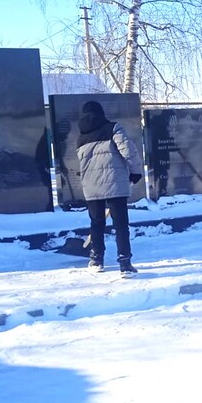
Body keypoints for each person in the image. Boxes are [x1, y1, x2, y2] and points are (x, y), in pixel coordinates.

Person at [76, 100, 143, 277]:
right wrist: (135, 172)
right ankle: (125, 264)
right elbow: (128, 150)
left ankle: (96, 260)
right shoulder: (113, 128)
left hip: (91, 186)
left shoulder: (81, 137)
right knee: (121, 224)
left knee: (96, 223)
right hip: (115, 183)